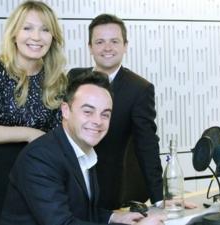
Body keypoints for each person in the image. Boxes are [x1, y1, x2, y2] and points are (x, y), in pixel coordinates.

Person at [0, 71, 166, 225]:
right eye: (88, 111)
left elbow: (82, 212)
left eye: (105, 114)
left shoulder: (84, 150)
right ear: (66, 110)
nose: (98, 121)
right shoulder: (40, 158)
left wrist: (114, 217)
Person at [0, 1, 66, 225]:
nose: (36, 37)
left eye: (45, 29)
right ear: (14, 33)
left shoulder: (57, 79)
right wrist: (29, 133)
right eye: (27, 28)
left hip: (36, 178)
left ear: (53, 37)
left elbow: (58, 139)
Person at [67, 13, 163, 210]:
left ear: (125, 46)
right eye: (100, 42)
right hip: (68, 181)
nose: (107, 48)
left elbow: (147, 144)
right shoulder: (74, 78)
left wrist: (158, 199)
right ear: (90, 47)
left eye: (114, 41)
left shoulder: (139, 88)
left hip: (109, 186)